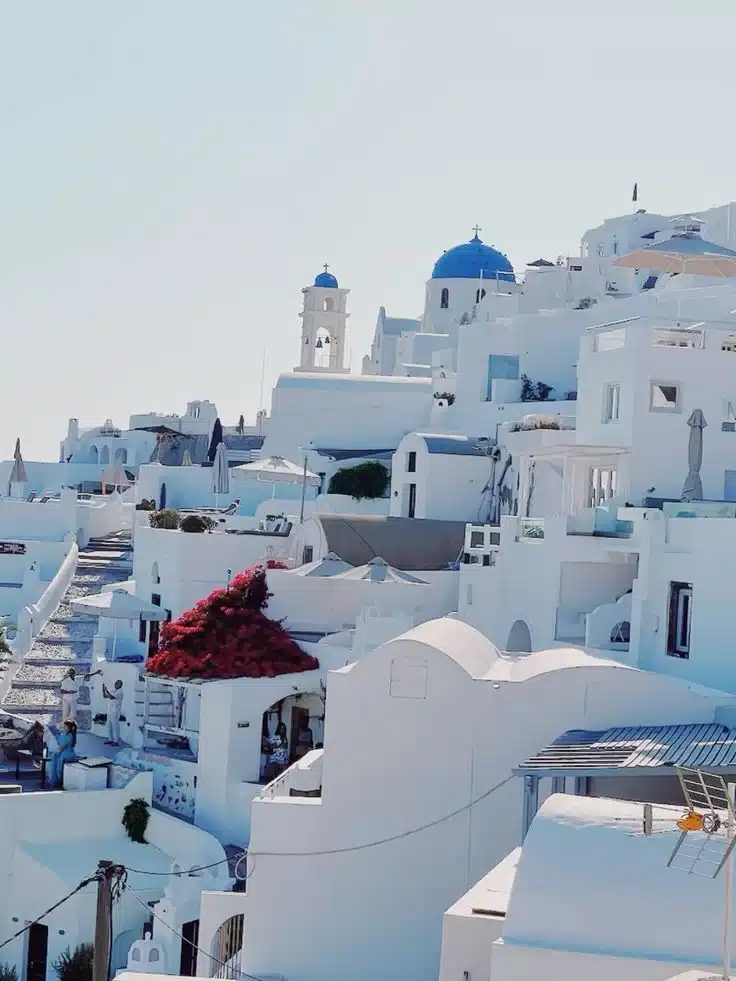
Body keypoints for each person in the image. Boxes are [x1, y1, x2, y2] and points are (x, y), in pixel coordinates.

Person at [48, 720, 77, 789]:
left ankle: (59, 782)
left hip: (67, 753)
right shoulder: (66, 735)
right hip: (65, 752)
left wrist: (56, 752)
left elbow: (62, 746)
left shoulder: (69, 735)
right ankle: (57, 781)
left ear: (68, 727)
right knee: (55, 758)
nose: (63, 728)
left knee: (58, 765)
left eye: (65, 726)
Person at [103, 679, 124, 746]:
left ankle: (116, 741)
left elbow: (112, 697)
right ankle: (110, 739)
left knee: (115, 726)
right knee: (109, 725)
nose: (115, 684)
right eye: (115, 683)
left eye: (117, 683)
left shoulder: (120, 692)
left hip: (115, 711)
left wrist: (106, 691)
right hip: (110, 710)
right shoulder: (113, 690)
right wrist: (103, 690)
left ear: (120, 685)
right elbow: (105, 696)